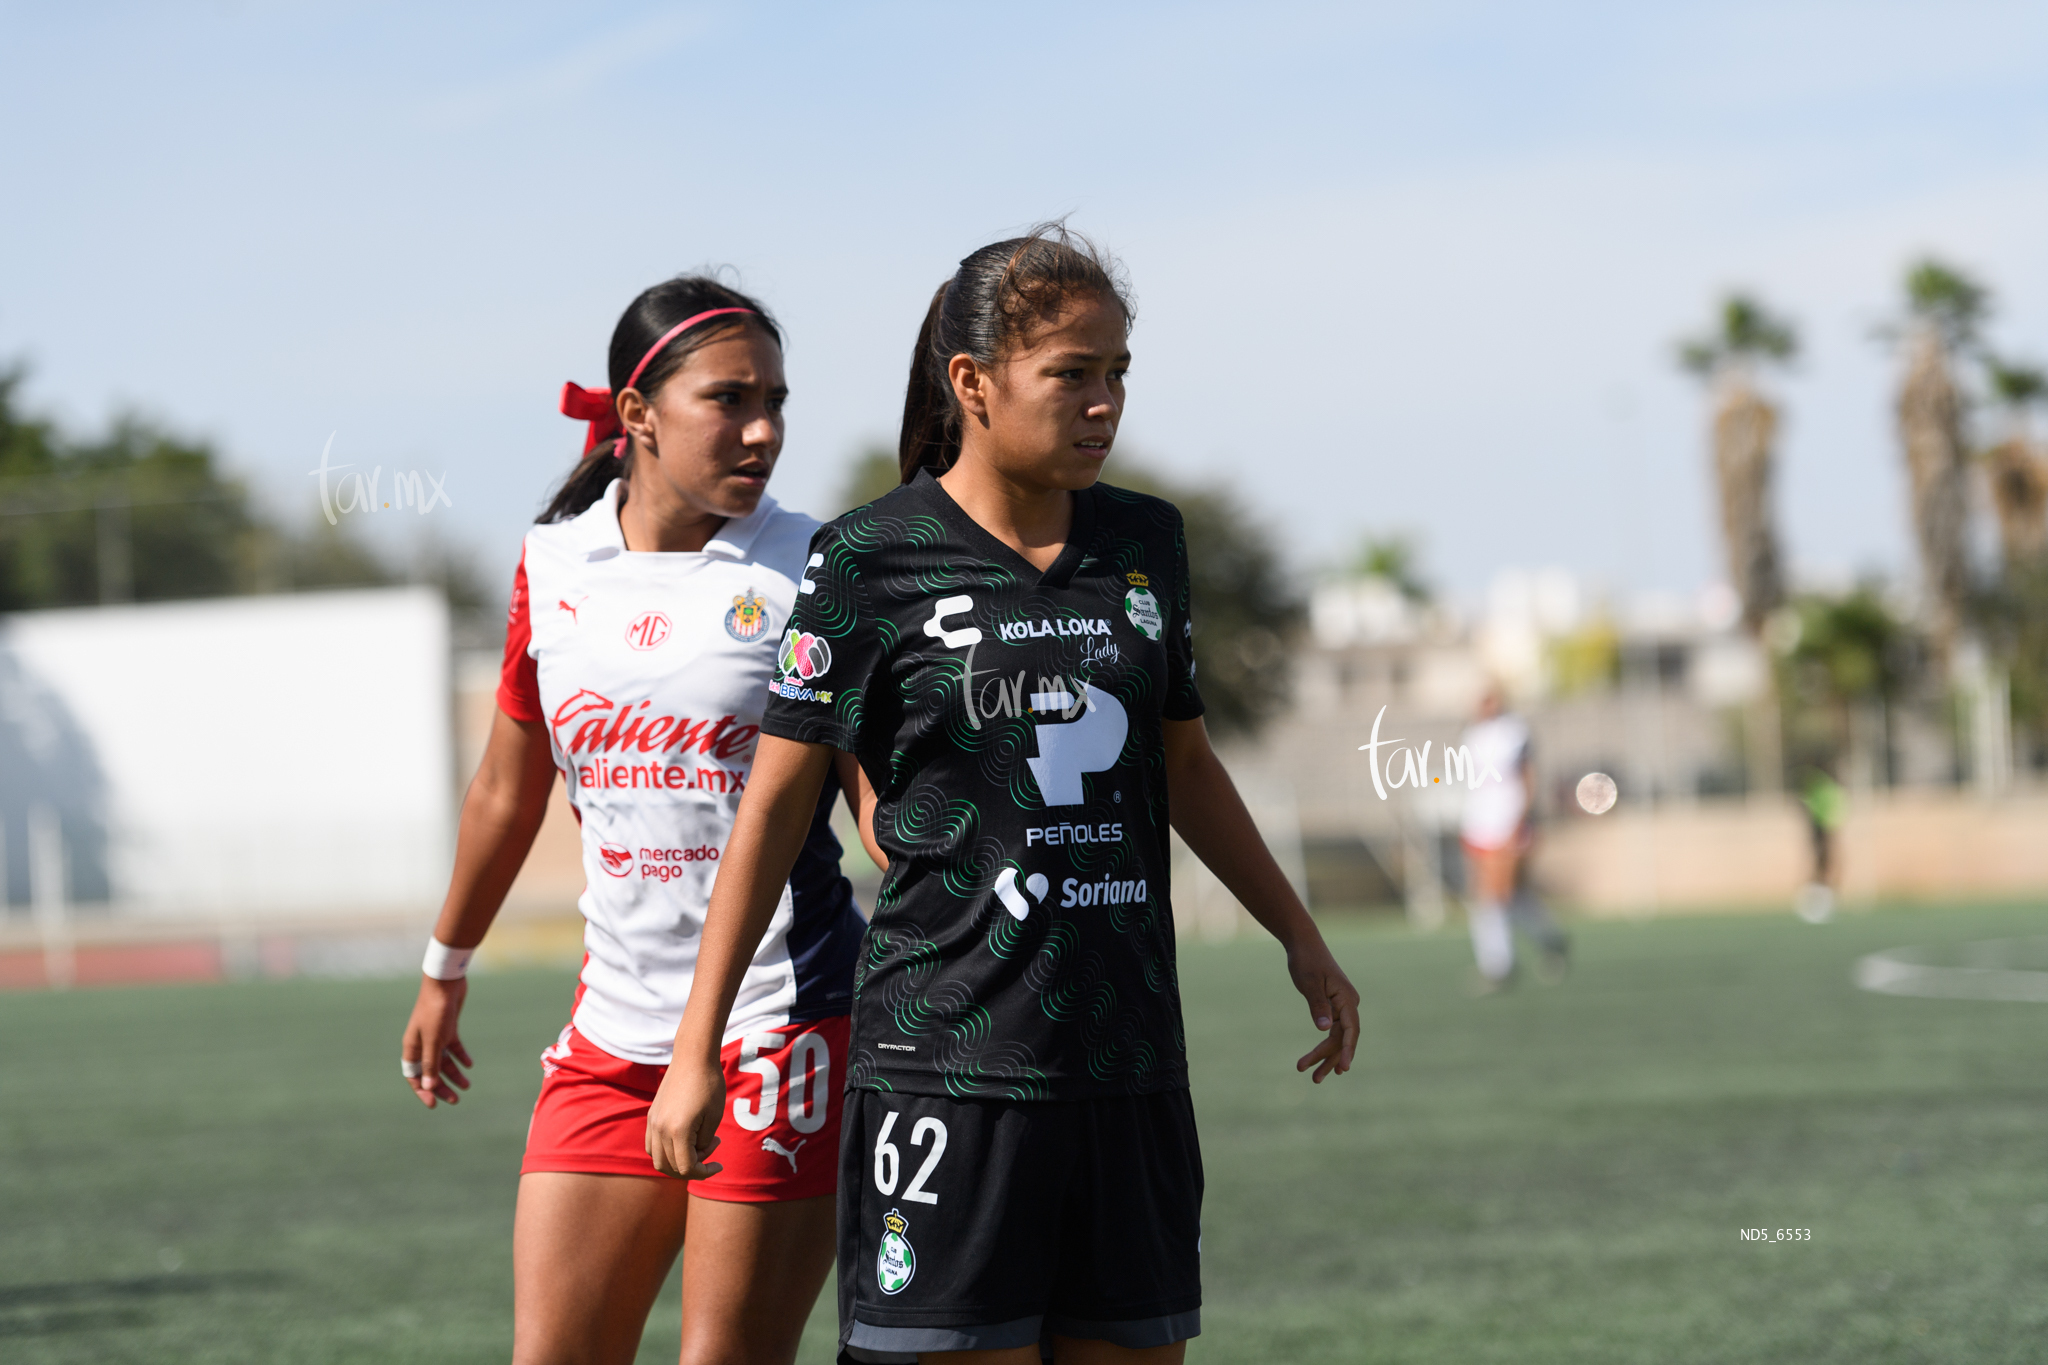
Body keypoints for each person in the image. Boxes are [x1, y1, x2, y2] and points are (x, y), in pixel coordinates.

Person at [643, 225, 1363, 1365]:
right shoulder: (866, 558)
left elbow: (1184, 766)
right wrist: (697, 1050)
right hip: (947, 1071)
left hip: (1127, 1075)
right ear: (972, 383)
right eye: (1070, 374)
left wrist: (1300, 938)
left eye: (1117, 372)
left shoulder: (1144, 544)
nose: (1102, 403)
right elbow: (775, 810)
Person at [397, 276, 871, 1365]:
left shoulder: (817, 564)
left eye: (777, 401)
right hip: (610, 1038)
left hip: (777, 1020)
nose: (763, 431)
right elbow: (506, 790)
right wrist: (444, 965)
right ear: (637, 415)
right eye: (730, 399)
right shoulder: (551, 564)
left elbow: (871, 799)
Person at [1459, 683, 1568, 992]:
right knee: (1495, 895)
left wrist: (1524, 820)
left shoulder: (1514, 732)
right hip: (1478, 822)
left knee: (1495, 894)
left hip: (1507, 820)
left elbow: (1528, 776)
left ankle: (1498, 966)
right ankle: (1550, 938)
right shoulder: (1471, 734)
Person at [1796, 764, 1844, 924]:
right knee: (1820, 863)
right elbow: (1809, 805)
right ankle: (1815, 900)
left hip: (1827, 829)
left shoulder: (1828, 787)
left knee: (1830, 863)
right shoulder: (1818, 784)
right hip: (1821, 829)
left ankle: (1825, 899)